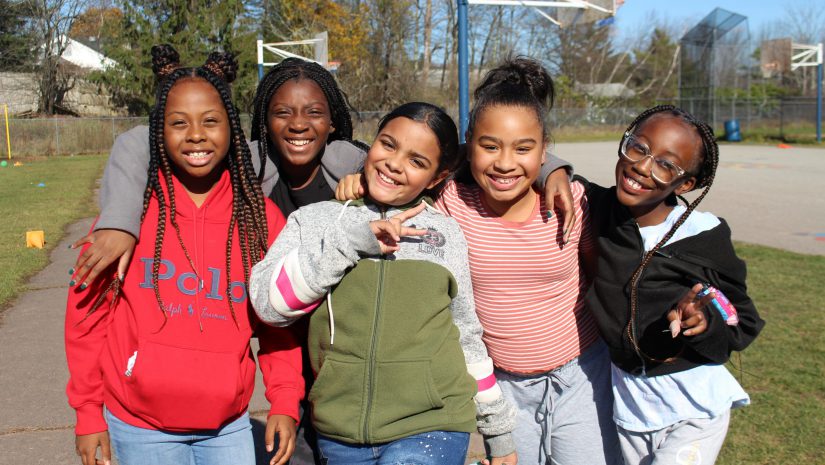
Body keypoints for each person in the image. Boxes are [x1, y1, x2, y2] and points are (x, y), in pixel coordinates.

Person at [67, 57, 369, 464]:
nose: (195, 136)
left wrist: (282, 400)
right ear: (159, 133)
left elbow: (277, 322)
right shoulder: (128, 219)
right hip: (140, 425)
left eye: (210, 122)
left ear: (232, 132)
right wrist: (88, 414)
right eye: (178, 123)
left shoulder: (260, 219)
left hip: (227, 426)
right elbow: (87, 322)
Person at [336, 57, 621, 465]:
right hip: (502, 387)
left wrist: (557, 173)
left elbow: (599, 275)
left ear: (545, 152)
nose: (505, 163)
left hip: (580, 375)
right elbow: (409, 168)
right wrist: (358, 179)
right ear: (470, 145)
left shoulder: (570, 202)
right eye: (489, 147)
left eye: (524, 148)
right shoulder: (451, 201)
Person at [249, 102, 518, 465]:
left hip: (433, 423)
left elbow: (466, 335)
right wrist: (350, 242)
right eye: (388, 144)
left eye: (417, 161)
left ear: (436, 178)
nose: (394, 163)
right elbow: (270, 307)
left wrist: (498, 432)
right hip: (339, 431)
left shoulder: (446, 234)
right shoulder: (314, 221)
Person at [571, 105, 765, 464]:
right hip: (631, 407)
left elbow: (742, 319)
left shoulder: (702, 235)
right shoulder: (595, 207)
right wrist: (555, 171)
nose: (642, 167)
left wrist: (705, 324)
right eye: (639, 147)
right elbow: (536, 161)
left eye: (666, 165)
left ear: (686, 183)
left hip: (692, 407)